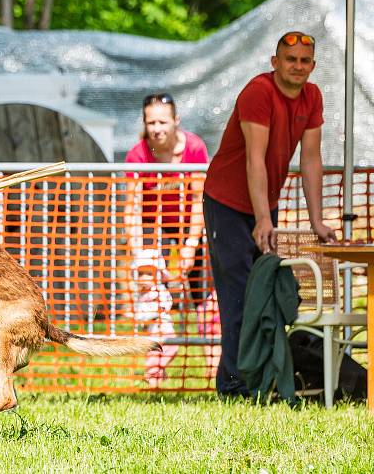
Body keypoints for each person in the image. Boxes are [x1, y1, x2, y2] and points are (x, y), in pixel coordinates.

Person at [203, 31, 337, 398]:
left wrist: (316, 220)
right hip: (228, 202)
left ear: (313, 66)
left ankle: (261, 380)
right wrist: (265, 219)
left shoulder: (312, 97)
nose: (298, 66)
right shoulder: (259, 91)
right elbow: (255, 158)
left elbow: (310, 159)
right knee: (238, 296)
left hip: (263, 204)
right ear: (274, 62)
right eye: (290, 59)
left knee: (262, 293)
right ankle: (235, 387)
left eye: (305, 60)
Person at [125, 93, 210, 303]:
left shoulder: (195, 148)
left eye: (162, 122)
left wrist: (191, 244)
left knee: (199, 283)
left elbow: (200, 199)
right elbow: (132, 207)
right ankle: (160, 330)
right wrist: (138, 250)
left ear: (176, 121)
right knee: (153, 285)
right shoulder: (137, 155)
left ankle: (207, 327)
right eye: (151, 122)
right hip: (152, 226)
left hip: (188, 223)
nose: (156, 128)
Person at [130, 249, 179, 387]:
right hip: (153, 332)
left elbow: (166, 304)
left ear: (158, 275)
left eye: (148, 274)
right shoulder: (140, 295)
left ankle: (155, 371)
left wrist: (154, 313)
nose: (144, 278)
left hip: (164, 328)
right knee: (155, 353)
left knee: (172, 347)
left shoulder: (159, 291)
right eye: (140, 274)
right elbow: (141, 314)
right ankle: (153, 378)